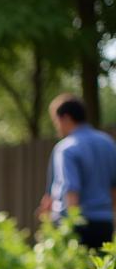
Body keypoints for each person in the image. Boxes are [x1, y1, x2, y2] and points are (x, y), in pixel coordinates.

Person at [37, 94, 116, 249]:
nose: (57, 127)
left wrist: (70, 228)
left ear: (65, 118)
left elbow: (71, 190)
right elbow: (114, 187)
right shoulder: (108, 143)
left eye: (56, 121)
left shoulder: (66, 148)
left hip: (77, 228)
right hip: (104, 224)